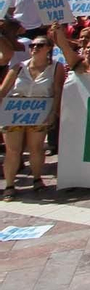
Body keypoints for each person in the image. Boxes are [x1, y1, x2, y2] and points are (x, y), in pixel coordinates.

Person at [0, 33, 64, 196]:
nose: (35, 48)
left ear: (49, 48)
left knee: (36, 148)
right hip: (15, 110)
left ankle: (37, 178)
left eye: (40, 45)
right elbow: (3, 90)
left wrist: (52, 113)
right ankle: (9, 185)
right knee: (12, 150)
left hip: (38, 110)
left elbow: (57, 91)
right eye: (33, 45)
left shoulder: (56, 68)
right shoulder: (19, 66)